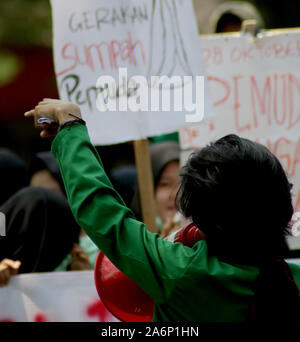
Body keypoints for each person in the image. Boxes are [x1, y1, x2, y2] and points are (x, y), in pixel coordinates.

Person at [24, 99, 300, 321]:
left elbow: (101, 212)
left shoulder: (182, 272)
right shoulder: (291, 280)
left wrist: (71, 124)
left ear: (200, 212)